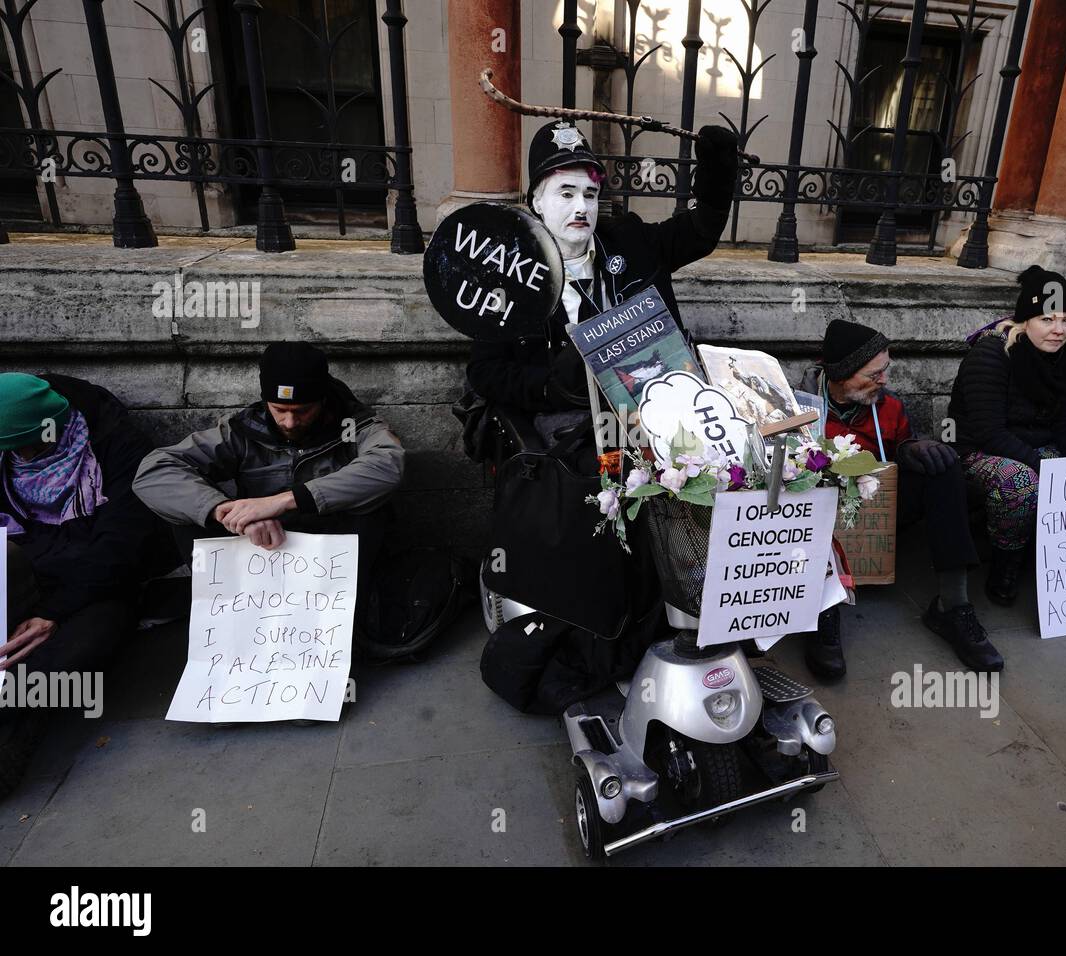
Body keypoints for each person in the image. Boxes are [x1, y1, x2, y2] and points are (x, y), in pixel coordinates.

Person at [468, 119, 738, 714]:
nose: (581, 207)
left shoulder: (631, 241)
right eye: (564, 193)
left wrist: (717, 169)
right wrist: (548, 383)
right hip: (568, 424)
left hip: (659, 404)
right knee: (607, 481)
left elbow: (701, 229)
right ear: (535, 200)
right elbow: (485, 374)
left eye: (589, 193)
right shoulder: (508, 274)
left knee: (728, 462)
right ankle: (611, 637)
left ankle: (709, 611)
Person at [1, 372, 175, 797]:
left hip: (100, 586)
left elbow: (119, 551)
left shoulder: (118, 449)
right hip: (27, 574)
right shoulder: (7, 452)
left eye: (31, 446)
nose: (22, 455)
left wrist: (52, 614)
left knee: (61, 658)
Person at [132, 343, 405, 609]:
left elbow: (388, 464)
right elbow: (155, 470)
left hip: (331, 556)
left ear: (322, 400)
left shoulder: (355, 427)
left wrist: (285, 501)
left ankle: (353, 620)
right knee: (186, 511)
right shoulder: (242, 430)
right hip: (261, 549)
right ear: (265, 403)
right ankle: (229, 612)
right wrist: (224, 511)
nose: (289, 422)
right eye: (279, 410)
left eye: (302, 411)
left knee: (371, 507)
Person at [800, 321, 1003, 676]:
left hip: (877, 504)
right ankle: (820, 609)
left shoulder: (889, 406)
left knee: (943, 467)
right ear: (843, 375)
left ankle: (952, 606)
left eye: (886, 370)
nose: (884, 380)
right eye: (874, 374)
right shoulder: (802, 408)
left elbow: (899, 447)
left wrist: (911, 448)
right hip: (822, 519)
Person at [948, 265, 1066, 605]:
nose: (1059, 330)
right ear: (1025, 320)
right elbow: (990, 432)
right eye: (1048, 319)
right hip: (977, 451)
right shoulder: (991, 354)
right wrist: (1049, 469)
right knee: (1019, 480)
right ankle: (1006, 564)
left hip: (1038, 449)